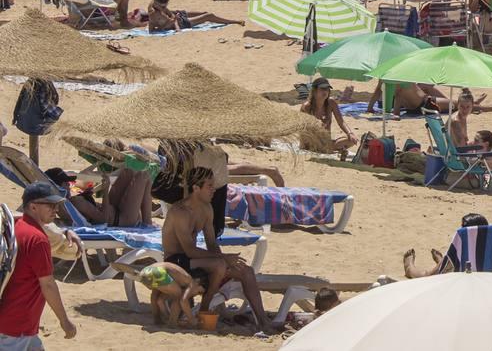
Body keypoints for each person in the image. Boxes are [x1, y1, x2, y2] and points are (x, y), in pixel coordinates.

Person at [161, 167, 273, 334]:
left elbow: (212, 244)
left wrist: (227, 263)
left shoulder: (206, 209)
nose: (214, 189)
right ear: (196, 188)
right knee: (219, 265)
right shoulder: (180, 212)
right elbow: (189, 251)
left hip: (197, 260)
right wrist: (223, 259)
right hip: (176, 261)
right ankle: (204, 308)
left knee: (246, 271)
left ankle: (264, 323)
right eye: (210, 186)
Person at [0, 182, 78, 346]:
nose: (56, 209)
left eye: (56, 205)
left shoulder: (18, 227)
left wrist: (65, 231)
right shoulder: (37, 240)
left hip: (17, 322)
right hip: (16, 327)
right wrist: (64, 321)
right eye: (50, 205)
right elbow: (48, 284)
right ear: (33, 207)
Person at [300, 78, 356, 158]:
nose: (325, 91)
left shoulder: (331, 103)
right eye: (322, 89)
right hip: (310, 141)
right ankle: (333, 149)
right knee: (324, 146)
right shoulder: (307, 107)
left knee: (352, 141)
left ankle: (333, 148)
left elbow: (341, 122)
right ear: (315, 91)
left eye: (327, 89)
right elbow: (302, 129)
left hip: (326, 141)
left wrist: (350, 133)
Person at [136, 261, 202, 327]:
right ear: (198, 281)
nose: (195, 294)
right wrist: (191, 319)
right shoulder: (191, 281)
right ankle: (172, 322)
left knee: (156, 295)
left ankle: (157, 319)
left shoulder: (177, 278)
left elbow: (157, 298)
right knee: (179, 295)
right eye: (199, 292)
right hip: (158, 272)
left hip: (144, 272)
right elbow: (183, 300)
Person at [147, 0, 241, 33]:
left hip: (177, 16)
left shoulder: (154, 4)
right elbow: (165, 25)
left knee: (204, 12)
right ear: (156, 3)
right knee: (209, 15)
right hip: (181, 23)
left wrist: (173, 16)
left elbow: (169, 13)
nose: (165, 7)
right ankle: (233, 21)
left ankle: (229, 21)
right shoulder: (155, 13)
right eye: (163, 6)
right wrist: (177, 26)